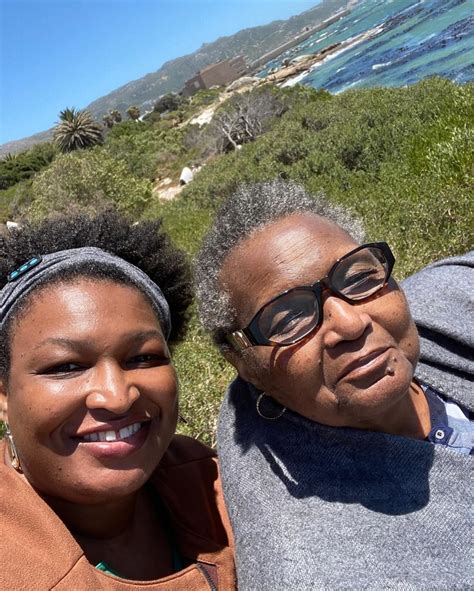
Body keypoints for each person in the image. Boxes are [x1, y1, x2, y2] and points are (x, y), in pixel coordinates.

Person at [194, 180, 472, 590]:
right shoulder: (320, 570)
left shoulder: (449, 301)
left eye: (357, 276)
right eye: (289, 318)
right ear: (243, 363)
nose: (351, 322)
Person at [0, 210, 235, 590]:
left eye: (143, 358)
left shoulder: (216, 484)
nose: (117, 397)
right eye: (66, 366)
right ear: (3, 394)